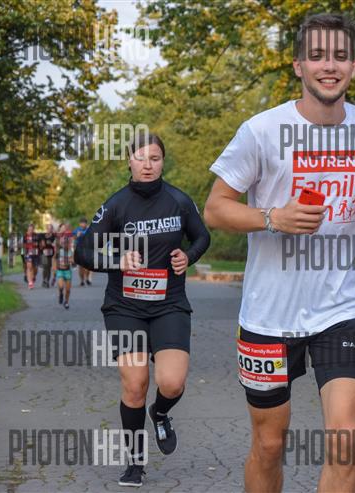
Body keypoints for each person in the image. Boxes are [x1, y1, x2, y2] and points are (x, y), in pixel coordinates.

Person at [204, 13, 355, 493]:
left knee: (345, 439)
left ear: (354, 66)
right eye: (317, 56)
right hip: (269, 315)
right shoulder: (261, 131)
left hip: (340, 306)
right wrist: (273, 218)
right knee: (269, 444)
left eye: (339, 56)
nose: (329, 66)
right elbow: (215, 209)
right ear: (298, 66)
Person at [74, 133, 211, 487]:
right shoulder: (115, 206)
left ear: (163, 162)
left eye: (155, 158)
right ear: (129, 161)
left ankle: (160, 413)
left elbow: (202, 236)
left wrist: (188, 256)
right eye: (140, 158)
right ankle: (135, 462)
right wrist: (117, 261)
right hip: (125, 307)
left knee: (172, 382)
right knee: (135, 383)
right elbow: (82, 253)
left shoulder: (179, 201)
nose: (148, 165)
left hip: (169, 305)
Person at [54, 223, 74, 309]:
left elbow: (73, 260)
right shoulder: (58, 249)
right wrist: (54, 268)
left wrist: (72, 261)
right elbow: (54, 258)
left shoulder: (71, 250)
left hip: (68, 270)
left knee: (68, 289)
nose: (65, 243)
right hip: (60, 270)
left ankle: (66, 302)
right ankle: (61, 294)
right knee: (61, 286)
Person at [73, 217, 91, 286]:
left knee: (88, 266)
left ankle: (87, 278)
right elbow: (73, 238)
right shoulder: (76, 230)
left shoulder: (89, 229)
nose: (83, 224)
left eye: (84, 223)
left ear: (86, 224)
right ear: (79, 224)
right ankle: (82, 280)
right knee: (80, 267)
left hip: (87, 249)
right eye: (82, 223)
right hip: (79, 250)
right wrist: (76, 236)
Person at [22, 223, 40, 289]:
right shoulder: (25, 236)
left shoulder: (36, 236)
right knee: (29, 266)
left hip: (35, 253)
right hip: (28, 253)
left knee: (35, 268)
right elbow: (22, 245)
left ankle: (33, 276)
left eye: (31, 229)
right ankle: (30, 283)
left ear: (33, 229)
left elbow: (40, 244)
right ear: (27, 229)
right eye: (29, 229)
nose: (30, 230)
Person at [40, 223, 56, 288]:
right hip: (44, 253)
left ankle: (47, 281)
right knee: (45, 267)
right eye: (48, 228)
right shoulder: (43, 235)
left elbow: (54, 244)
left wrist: (51, 244)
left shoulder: (54, 236)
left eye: (51, 228)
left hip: (51, 253)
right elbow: (43, 244)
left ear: (52, 229)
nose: (49, 230)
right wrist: (45, 243)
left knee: (49, 267)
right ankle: (44, 279)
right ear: (46, 229)